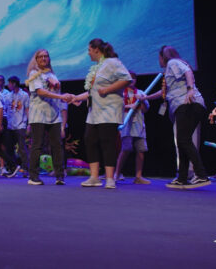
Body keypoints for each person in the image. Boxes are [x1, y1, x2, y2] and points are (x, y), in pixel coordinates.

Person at [139, 45, 210, 189]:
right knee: (182, 141)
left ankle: (201, 175)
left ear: (163, 57)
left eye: (158, 57)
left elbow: (188, 72)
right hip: (184, 105)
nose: (158, 60)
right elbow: (164, 92)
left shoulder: (173, 62)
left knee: (183, 140)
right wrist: (146, 97)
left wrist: (190, 89)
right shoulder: (170, 70)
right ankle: (182, 178)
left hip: (188, 103)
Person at [72, 39, 132, 189]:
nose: (88, 53)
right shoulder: (97, 67)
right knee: (90, 140)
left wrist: (107, 90)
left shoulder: (112, 62)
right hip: (94, 112)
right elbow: (93, 91)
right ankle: (94, 177)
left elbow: (126, 79)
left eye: (89, 50)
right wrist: (76, 98)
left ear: (96, 50)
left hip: (109, 110)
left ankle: (110, 178)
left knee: (107, 142)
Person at [26, 49, 73, 185]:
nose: (43, 59)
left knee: (57, 145)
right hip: (39, 113)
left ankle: (59, 175)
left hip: (54, 114)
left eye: (46, 56)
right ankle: (33, 176)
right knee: (37, 145)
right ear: (36, 59)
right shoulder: (34, 74)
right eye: (40, 57)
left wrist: (69, 99)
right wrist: (60, 96)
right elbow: (41, 91)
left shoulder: (51, 74)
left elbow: (56, 91)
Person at [113, 71, 150, 184]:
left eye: (134, 78)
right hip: (126, 125)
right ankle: (117, 174)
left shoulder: (140, 92)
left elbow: (145, 109)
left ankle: (138, 176)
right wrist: (130, 106)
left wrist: (142, 101)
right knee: (126, 149)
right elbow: (116, 107)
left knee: (141, 150)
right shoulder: (120, 93)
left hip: (138, 125)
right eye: (129, 78)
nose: (132, 81)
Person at [6, 76, 30, 175]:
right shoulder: (8, 95)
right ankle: (13, 167)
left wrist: (30, 124)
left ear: (14, 83)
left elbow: (27, 109)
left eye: (10, 83)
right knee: (9, 148)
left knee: (22, 148)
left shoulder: (24, 95)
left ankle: (26, 169)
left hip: (21, 125)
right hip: (10, 125)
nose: (8, 85)